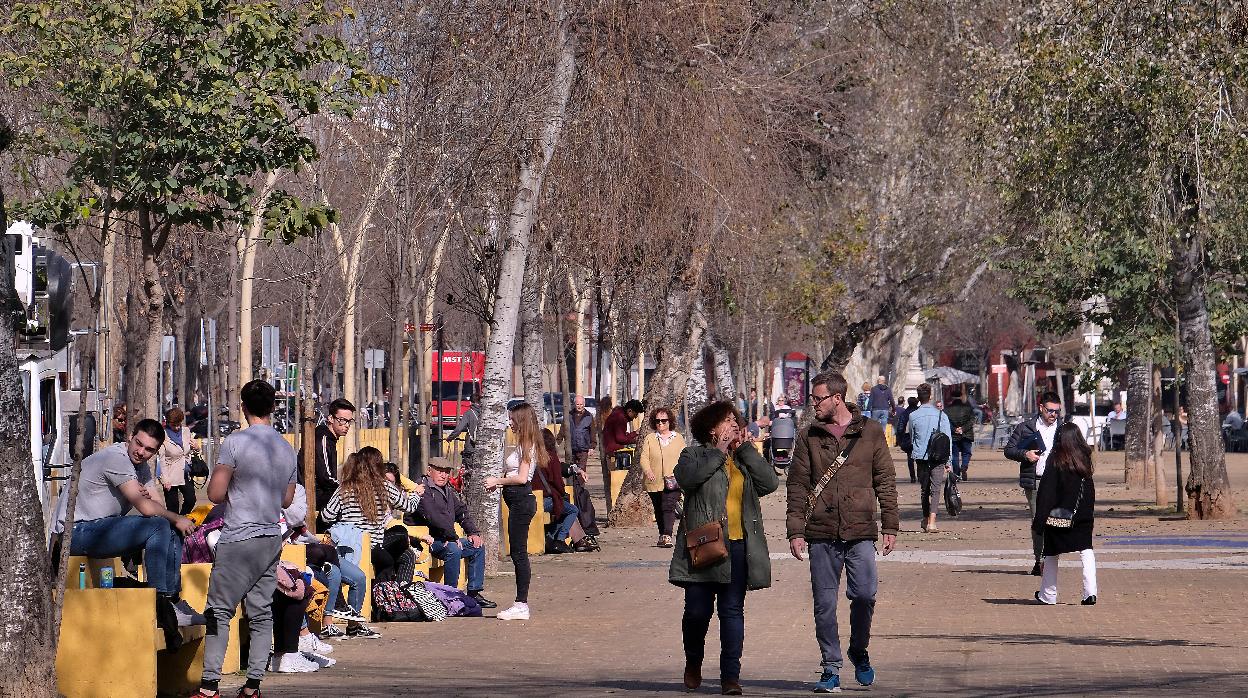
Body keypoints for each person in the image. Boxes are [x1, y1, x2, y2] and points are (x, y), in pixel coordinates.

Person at [786, 371, 898, 693]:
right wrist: (795, 531)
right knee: (824, 604)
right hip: (821, 532)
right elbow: (797, 485)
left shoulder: (872, 432)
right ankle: (830, 667)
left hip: (861, 530)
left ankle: (858, 651)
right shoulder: (808, 436)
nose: (813, 404)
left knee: (864, 596)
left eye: (818, 398)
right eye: (813, 398)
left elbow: (886, 482)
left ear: (837, 398)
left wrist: (890, 524)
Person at [669, 401, 779, 696]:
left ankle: (730, 676)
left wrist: (743, 450)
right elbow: (687, 479)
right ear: (711, 428)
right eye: (727, 420)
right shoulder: (693, 454)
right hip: (704, 546)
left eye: (735, 420)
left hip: (739, 546)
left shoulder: (742, 458)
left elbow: (770, 483)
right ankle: (693, 662)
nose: (734, 424)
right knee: (696, 612)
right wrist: (718, 452)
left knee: (732, 612)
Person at [197, 380, 298, 697]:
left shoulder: (235, 443)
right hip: (271, 537)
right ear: (272, 408)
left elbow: (214, 494)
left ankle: (210, 686)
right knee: (261, 611)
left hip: (239, 536)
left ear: (243, 406)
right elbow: (286, 499)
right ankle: (253, 685)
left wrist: (237, 492)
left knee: (219, 611)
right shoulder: (286, 448)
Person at [64, 418, 201, 624]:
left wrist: (168, 515)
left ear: (155, 452)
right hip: (75, 532)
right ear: (130, 437)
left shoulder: (141, 467)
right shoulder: (116, 458)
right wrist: (176, 516)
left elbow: (157, 506)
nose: (141, 451)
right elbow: (148, 508)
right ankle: (159, 602)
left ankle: (172, 600)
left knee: (169, 525)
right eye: (138, 443)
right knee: (160, 525)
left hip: (100, 529)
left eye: (149, 449)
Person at [322, 447, 422, 590]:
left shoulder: (344, 487)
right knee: (397, 542)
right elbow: (409, 507)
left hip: (348, 545)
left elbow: (327, 516)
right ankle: (388, 600)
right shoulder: (384, 486)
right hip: (373, 546)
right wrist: (416, 494)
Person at [411, 457, 496, 609]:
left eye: (446, 472)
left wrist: (472, 532)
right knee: (453, 549)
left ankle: (474, 593)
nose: (443, 475)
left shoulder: (447, 489)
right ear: (429, 471)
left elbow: (461, 511)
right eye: (439, 471)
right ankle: (450, 595)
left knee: (476, 546)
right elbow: (433, 516)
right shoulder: (422, 489)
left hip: (444, 537)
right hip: (425, 541)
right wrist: (452, 536)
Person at [485, 402, 543, 621]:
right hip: (516, 501)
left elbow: (520, 478)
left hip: (521, 501)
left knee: (519, 553)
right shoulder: (521, 444)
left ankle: (521, 603)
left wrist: (497, 481)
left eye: (512, 418)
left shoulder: (527, 445)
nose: (509, 422)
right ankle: (520, 603)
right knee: (517, 552)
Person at [1031, 422, 1098, 606]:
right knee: (1086, 550)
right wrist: (1088, 514)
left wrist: (1039, 521)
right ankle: (1090, 593)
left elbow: (1046, 492)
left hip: (1058, 517)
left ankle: (1048, 594)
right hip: (1083, 515)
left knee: (1051, 553)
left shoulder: (1056, 459)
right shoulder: (1084, 458)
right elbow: (1089, 491)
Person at [1004, 390, 1063, 576]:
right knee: (1039, 522)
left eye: (1056, 411)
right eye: (1050, 411)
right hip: (1035, 482)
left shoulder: (1063, 429)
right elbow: (1009, 450)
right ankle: (1040, 560)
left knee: (1055, 523)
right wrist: (1025, 455)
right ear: (1041, 408)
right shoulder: (1025, 428)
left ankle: (1051, 559)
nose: (1053, 415)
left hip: (1057, 483)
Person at [907, 384, 952, 533]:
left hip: (921, 457)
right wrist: (949, 461)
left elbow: (912, 437)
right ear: (931, 396)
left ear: (919, 398)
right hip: (938, 456)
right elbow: (947, 440)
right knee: (936, 489)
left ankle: (925, 518)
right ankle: (932, 521)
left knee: (924, 489)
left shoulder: (913, 416)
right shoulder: (941, 415)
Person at [640, 406, 687, 548]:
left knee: (668, 506)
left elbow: (685, 458)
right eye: (657, 421)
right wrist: (648, 471)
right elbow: (644, 457)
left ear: (670, 421)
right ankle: (662, 535)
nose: (660, 424)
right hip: (654, 481)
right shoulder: (650, 438)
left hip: (673, 481)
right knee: (659, 509)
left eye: (664, 421)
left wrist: (681, 473)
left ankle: (667, 535)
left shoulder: (678, 438)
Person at [305, 397, 355, 523]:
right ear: (331, 418)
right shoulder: (324, 439)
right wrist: (349, 489)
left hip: (321, 494)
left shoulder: (329, 439)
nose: (347, 425)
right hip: (314, 496)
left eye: (349, 421)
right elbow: (325, 477)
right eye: (342, 420)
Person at [538, 428, 580, 552]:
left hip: (533, 498)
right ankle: (560, 540)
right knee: (572, 510)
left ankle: (550, 538)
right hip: (546, 500)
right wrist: (562, 494)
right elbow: (557, 480)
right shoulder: (551, 457)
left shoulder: (533, 456)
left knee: (561, 508)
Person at [602, 398, 644, 508]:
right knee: (620, 480)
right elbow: (621, 438)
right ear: (629, 410)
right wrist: (635, 434)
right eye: (635, 414)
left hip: (611, 448)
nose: (635, 417)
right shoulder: (620, 418)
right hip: (615, 451)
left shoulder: (618, 414)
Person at [159, 407, 199, 516]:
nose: (177, 427)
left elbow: (189, 450)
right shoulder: (163, 435)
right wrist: (165, 479)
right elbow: (161, 460)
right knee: (173, 507)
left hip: (185, 473)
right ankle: (174, 529)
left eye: (178, 424)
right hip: (170, 475)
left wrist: (196, 447)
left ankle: (182, 519)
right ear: (168, 423)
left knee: (191, 499)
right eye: (173, 425)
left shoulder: (186, 431)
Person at [557, 395, 596, 474]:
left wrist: (592, 446)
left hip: (583, 449)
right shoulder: (569, 415)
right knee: (571, 471)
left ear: (584, 404)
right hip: (571, 448)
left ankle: (580, 486)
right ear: (574, 404)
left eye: (581, 404)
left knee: (581, 471)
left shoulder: (589, 416)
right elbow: (563, 429)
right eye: (578, 404)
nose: (579, 406)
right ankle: (574, 486)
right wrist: (558, 441)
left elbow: (592, 432)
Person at [944, 391, 976, 481]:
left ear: (951, 397)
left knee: (954, 455)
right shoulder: (968, 408)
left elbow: (946, 423)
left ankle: (957, 474)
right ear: (961, 397)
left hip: (953, 435)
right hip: (966, 434)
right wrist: (963, 429)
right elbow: (972, 420)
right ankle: (964, 467)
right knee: (966, 453)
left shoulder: (946, 410)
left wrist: (954, 430)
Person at [444, 394, 481, 464]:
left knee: (469, 470)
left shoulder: (469, 413)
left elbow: (459, 429)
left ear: (470, 402)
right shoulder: (486, 413)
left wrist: (450, 438)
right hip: (484, 447)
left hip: (471, 447)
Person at [895, 397, 919, 483]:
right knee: (920, 457)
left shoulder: (905, 413)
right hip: (919, 437)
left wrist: (900, 438)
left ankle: (912, 476)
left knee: (910, 458)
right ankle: (920, 475)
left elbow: (900, 427)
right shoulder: (919, 412)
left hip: (907, 437)